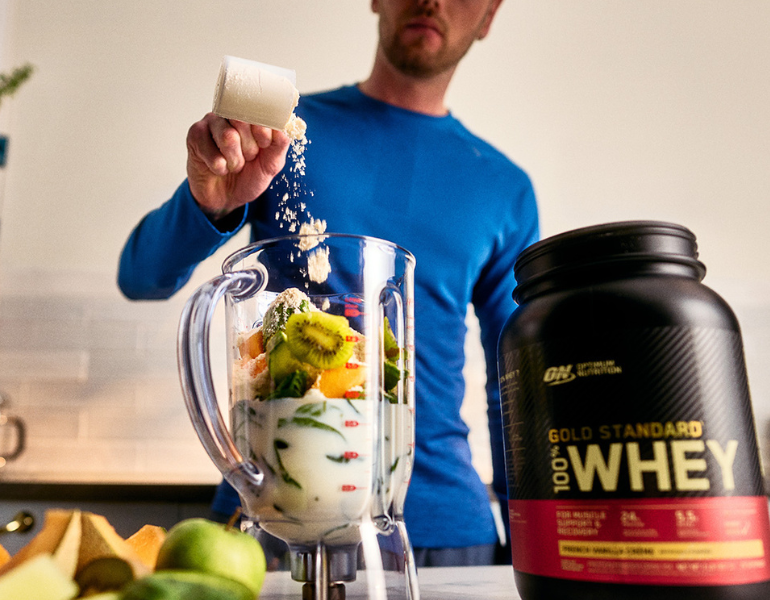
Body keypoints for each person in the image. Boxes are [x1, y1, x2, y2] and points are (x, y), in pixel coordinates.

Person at [118, 0, 538, 567]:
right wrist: (207, 202)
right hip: (273, 508)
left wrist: (533, 537)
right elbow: (140, 277)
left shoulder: (504, 188)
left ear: (488, 17)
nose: (432, 1)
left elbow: (515, 384)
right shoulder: (278, 138)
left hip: (443, 527)